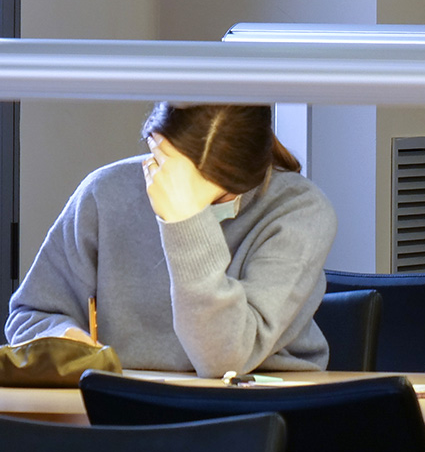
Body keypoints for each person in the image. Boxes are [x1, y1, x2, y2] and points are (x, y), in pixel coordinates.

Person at [6, 102, 337, 376]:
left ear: (245, 180)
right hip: (123, 403)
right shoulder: (105, 193)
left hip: (254, 410)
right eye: (166, 169)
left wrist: (184, 220)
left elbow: (224, 360)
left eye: (210, 196)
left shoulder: (300, 211)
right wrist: (67, 342)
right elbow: (30, 314)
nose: (170, 188)